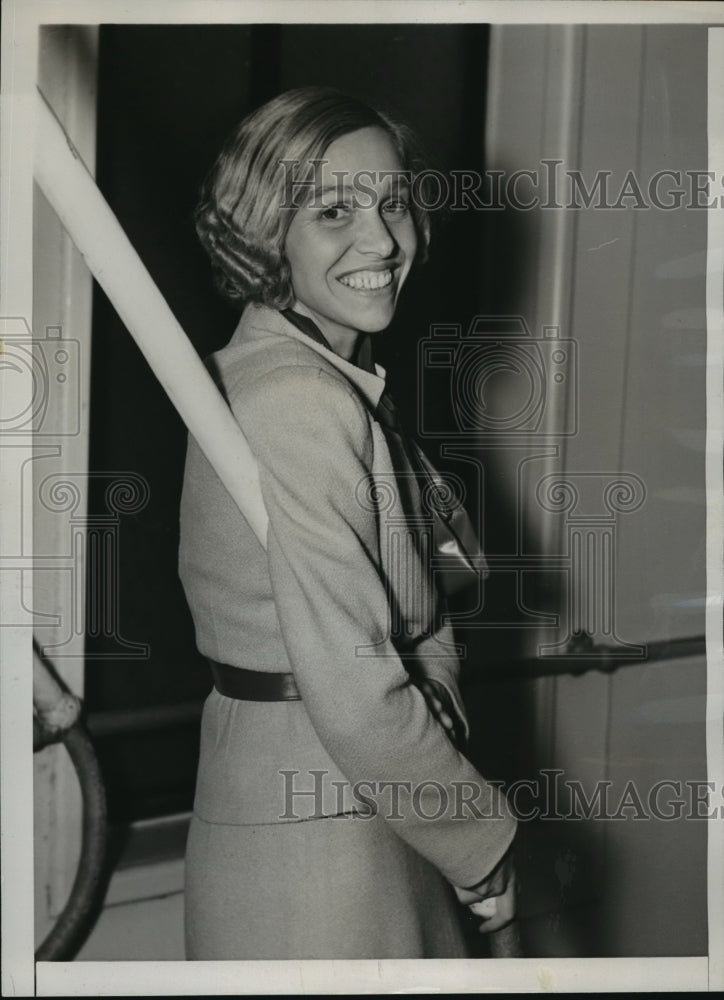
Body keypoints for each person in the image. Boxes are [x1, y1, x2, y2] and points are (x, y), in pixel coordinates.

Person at [178, 86, 517, 960]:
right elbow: (359, 691)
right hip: (319, 837)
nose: (383, 240)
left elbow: (425, 600)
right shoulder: (295, 398)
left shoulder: (321, 375)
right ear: (265, 232)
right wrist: (481, 839)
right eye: (334, 211)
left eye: (393, 202)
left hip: (358, 804)